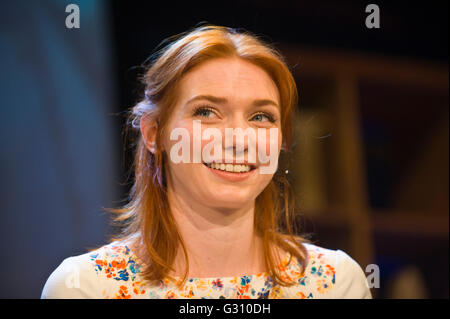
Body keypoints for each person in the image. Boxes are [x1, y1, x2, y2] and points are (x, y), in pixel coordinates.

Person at [41, 25, 372, 299]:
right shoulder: (85, 287)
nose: (238, 139)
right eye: (206, 112)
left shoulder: (334, 283)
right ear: (154, 133)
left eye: (261, 117)